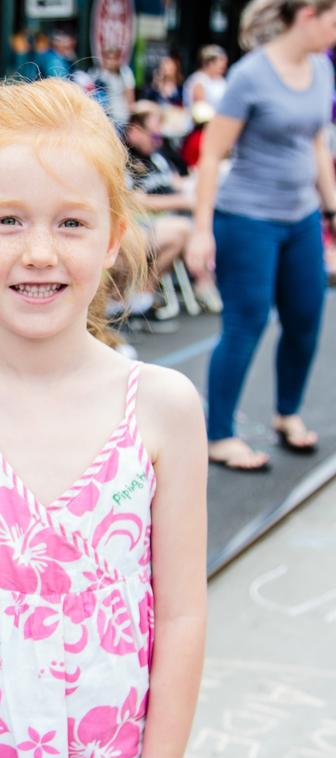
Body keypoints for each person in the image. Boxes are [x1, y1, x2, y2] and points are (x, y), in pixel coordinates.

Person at [0, 77, 207, 758]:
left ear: (115, 236)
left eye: (70, 222)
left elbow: (180, 618)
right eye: (8, 221)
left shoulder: (163, 407)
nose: (38, 252)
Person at [187, 0, 336, 471]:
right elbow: (210, 155)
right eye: (333, 21)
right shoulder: (252, 75)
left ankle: (287, 413)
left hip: (302, 217)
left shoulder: (321, 70)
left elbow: (315, 143)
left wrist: (331, 208)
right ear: (308, 15)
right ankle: (220, 435)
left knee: (306, 320)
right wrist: (201, 230)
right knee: (245, 324)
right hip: (247, 218)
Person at [125, 101, 223, 313]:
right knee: (186, 229)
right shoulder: (125, 160)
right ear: (135, 131)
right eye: (154, 135)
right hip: (140, 224)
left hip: (168, 220)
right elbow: (136, 201)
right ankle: (200, 284)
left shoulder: (158, 158)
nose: (158, 141)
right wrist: (183, 201)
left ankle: (203, 284)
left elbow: (177, 182)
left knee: (201, 219)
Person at [94, 47, 136, 125]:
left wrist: (131, 115)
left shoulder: (125, 73)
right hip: (104, 116)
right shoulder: (99, 74)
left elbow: (130, 96)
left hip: (121, 116)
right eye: (108, 59)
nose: (111, 62)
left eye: (114, 59)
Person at [183, 45, 229, 111]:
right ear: (209, 63)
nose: (224, 65)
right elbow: (200, 109)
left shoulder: (221, 80)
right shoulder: (199, 80)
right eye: (221, 60)